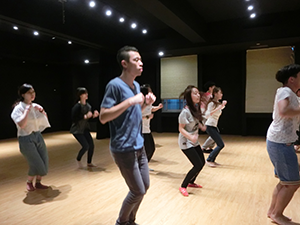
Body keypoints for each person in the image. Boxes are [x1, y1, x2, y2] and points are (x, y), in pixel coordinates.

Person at [100, 46, 156, 225]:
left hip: (138, 146)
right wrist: (130, 101)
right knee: (137, 191)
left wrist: (145, 104)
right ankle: (121, 222)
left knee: (144, 187)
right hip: (123, 148)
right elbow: (103, 117)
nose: (141, 63)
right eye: (136, 60)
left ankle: (131, 221)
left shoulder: (136, 85)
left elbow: (134, 113)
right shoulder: (114, 85)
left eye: (141, 59)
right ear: (124, 64)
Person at [266, 64, 300, 225]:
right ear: (292, 79)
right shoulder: (285, 91)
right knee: (292, 182)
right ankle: (277, 214)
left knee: (285, 182)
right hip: (280, 143)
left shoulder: (289, 92)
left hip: (280, 141)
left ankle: (273, 211)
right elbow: (284, 111)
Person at [11, 83, 50, 191]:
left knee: (44, 161)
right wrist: (27, 110)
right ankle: (29, 182)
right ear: (23, 94)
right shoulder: (18, 109)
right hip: (25, 138)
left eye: (33, 92)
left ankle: (38, 182)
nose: (32, 95)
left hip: (37, 135)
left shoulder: (35, 106)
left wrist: (41, 110)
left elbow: (45, 120)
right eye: (29, 93)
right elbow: (22, 125)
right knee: (36, 163)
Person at [178, 85, 206, 197]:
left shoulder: (195, 109)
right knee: (197, 164)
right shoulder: (185, 112)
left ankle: (191, 182)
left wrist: (200, 126)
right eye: (195, 93)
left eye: (198, 93)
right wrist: (190, 137)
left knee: (202, 162)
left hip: (193, 141)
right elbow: (180, 129)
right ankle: (183, 186)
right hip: (185, 142)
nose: (198, 95)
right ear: (189, 96)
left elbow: (195, 121)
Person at [70, 87, 99, 168]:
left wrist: (93, 116)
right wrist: (85, 116)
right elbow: (74, 118)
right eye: (84, 93)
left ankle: (89, 163)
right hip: (77, 130)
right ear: (80, 95)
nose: (86, 95)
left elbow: (88, 118)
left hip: (84, 128)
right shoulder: (77, 106)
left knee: (91, 145)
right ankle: (78, 159)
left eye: (86, 93)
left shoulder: (88, 106)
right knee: (85, 146)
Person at [140, 84, 163, 165]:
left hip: (147, 129)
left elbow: (151, 108)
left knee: (152, 149)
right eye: (150, 91)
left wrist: (158, 107)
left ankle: (144, 165)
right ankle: (142, 165)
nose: (151, 92)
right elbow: (136, 116)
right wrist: (147, 117)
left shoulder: (148, 103)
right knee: (148, 149)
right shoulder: (141, 103)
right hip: (141, 130)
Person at [205, 87, 227, 167]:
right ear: (215, 94)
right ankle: (209, 159)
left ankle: (212, 160)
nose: (221, 94)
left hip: (213, 126)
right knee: (221, 144)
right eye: (220, 93)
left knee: (219, 144)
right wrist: (219, 107)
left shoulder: (218, 103)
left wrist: (222, 105)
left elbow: (221, 107)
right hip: (209, 126)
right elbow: (207, 115)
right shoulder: (211, 104)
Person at [200, 81, 216, 153]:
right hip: (206, 115)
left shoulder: (205, 95)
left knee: (213, 133)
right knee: (214, 133)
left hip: (205, 114)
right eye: (213, 88)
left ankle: (210, 147)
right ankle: (204, 147)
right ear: (210, 88)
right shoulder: (209, 96)